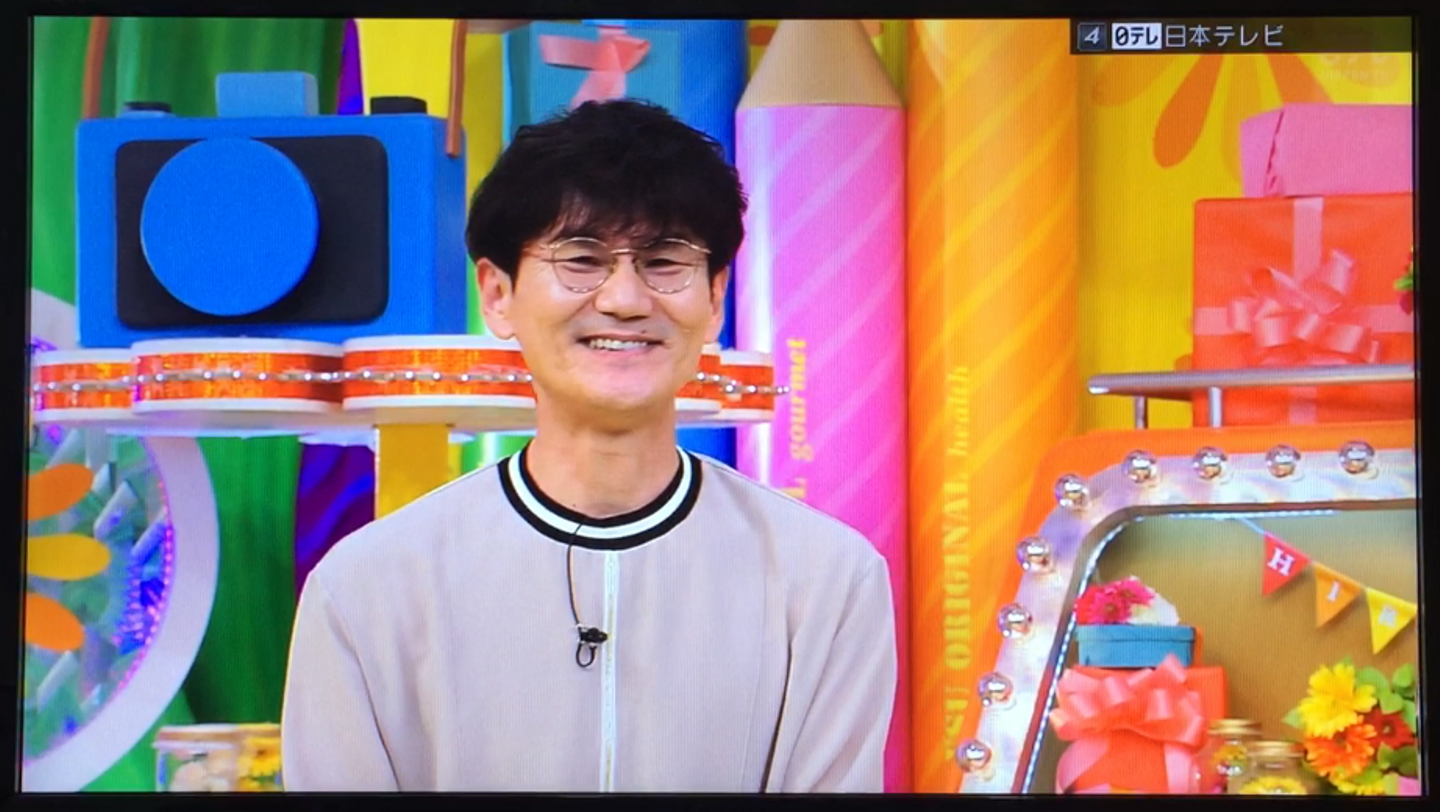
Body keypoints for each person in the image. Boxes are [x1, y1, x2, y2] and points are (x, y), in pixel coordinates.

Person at [280, 99, 897, 794]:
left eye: (665, 261)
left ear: (715, 297)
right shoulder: (366, 588)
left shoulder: (827, 580)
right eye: (581, 259)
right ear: (497, 294)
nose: (625, 299)